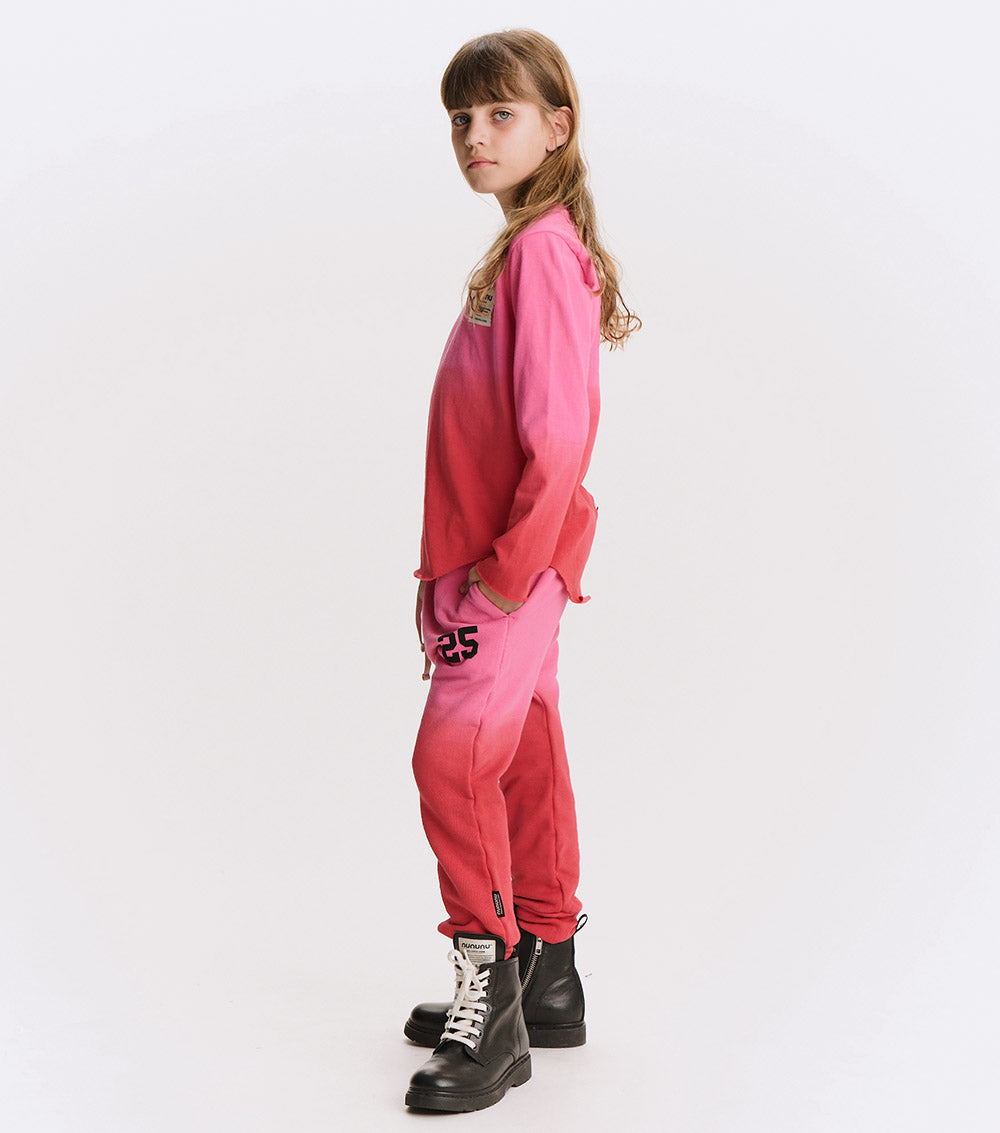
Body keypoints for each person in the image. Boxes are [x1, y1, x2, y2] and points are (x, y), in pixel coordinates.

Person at [403, 28, 640, 1113]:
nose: (474, 134)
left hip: (510, 568)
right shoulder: (530, 244)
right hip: (505, 565)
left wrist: (498, 578)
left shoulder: (541, 250)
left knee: (452, 763)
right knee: (527, 751)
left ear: (557, 126)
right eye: (462, 117)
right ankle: (546, 972)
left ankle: (489, 1004)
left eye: (500, 113)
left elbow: (558, 437)